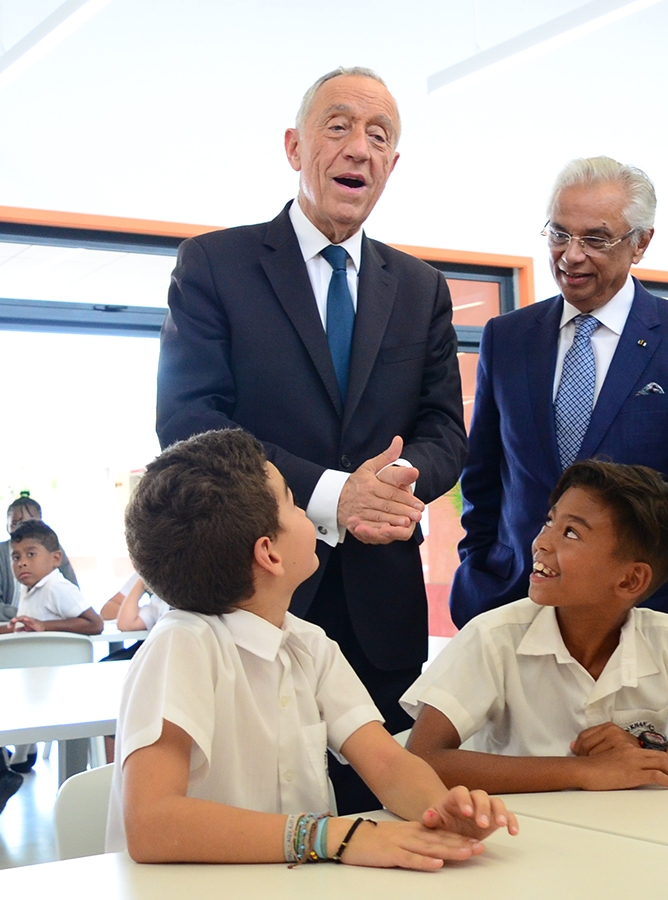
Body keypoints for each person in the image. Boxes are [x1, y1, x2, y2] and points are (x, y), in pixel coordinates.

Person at [155, 67, 467, 812]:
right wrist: (333, 494)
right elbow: (189, 419)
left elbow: (445, 431)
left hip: (381, 602)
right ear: (295, 146)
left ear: (393, 166)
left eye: (379, 135)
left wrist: (391, 487)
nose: (359, 146)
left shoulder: (421, 288)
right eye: (338, 126)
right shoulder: (216, 265)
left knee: (379, 810)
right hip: (248, 592)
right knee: (255, 807)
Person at [106, 429, 516, 866]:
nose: (309, 515)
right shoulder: (182, 643)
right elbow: (152, 824)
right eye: (294, 502)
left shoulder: (308, 644)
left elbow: (387, 764)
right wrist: (331, 835)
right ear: (269, 554)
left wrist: (441, 810)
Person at [450, 157, 668, 628]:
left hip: (640, 604)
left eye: (595, 238)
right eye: (559, 234)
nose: (571, 255)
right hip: (513, 600)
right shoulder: (507, 338)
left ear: (641, 243)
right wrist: (478, 564)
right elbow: (484, 473)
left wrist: (632, 536)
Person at [402, 461, 668, 792]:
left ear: (631, 580)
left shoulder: (667, 639)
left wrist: (646, 754)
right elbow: (421, 759)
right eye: (549, 521)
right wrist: (582, 772)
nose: (542, 542)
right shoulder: (493, 637)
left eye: (570, 533)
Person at [0, 520, 102, 636]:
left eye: (31, 554)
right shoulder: (27, 589)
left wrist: (44, 626)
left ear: (56, 558)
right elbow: (23, 629)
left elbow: (95, 624)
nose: (21, 563)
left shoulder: (56, 587)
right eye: (16, 557)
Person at [1, 496, 79, 619]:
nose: (23, 530)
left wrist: (38, 618)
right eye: (15, 524)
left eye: (30, 524)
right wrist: (26, 616)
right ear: (7, 526)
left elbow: (74, 591)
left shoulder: (52, 549)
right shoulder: (2, 553)